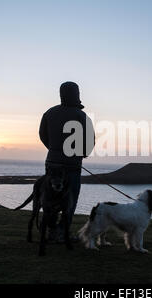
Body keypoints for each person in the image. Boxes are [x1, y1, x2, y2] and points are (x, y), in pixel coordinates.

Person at [39, 81, 95, 241]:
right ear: (77, 94)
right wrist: (81, 154)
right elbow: (89, 142)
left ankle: (51, 232)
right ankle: (63, 232)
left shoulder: (49, 113)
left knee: (50, 198)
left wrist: (53, 149)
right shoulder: (82, 116)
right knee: (69, 200)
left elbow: (43, 135)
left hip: (52, 163)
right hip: (72, 165)